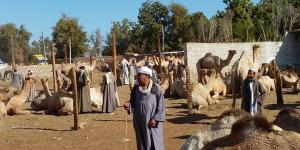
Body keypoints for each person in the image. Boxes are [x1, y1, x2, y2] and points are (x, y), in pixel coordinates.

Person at [124, 66, 165, 150]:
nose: (138, 77)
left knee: (154, 141)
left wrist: (156, 119)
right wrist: (128, 105)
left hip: (151, 121)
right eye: (138, 75)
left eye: (140, 75)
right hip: (139, 121)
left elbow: (161, 106)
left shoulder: (156, 88)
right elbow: (133, 102)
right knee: (142, 142)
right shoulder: (136, 89)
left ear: (148, 76)